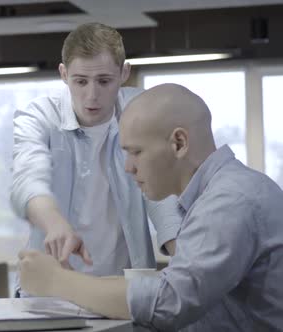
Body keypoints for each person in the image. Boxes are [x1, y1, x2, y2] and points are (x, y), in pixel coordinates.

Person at [18, 83, 283, 331]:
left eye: (136, 152)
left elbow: (171, 302)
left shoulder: (229, 200)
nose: (128, 167)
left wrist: (57, 281)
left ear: (179, 143)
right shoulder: (216, 194)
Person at [11, 22, 180, 281]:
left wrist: (185, 257)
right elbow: (27, 180)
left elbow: (162, 191)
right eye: (80, 81)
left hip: (123, 288)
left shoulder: (141, 110)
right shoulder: (38, 115)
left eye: (104, 81)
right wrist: (54, 223)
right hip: (51, 288)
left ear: (124, 73)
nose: (92, 95)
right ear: (64, 74)